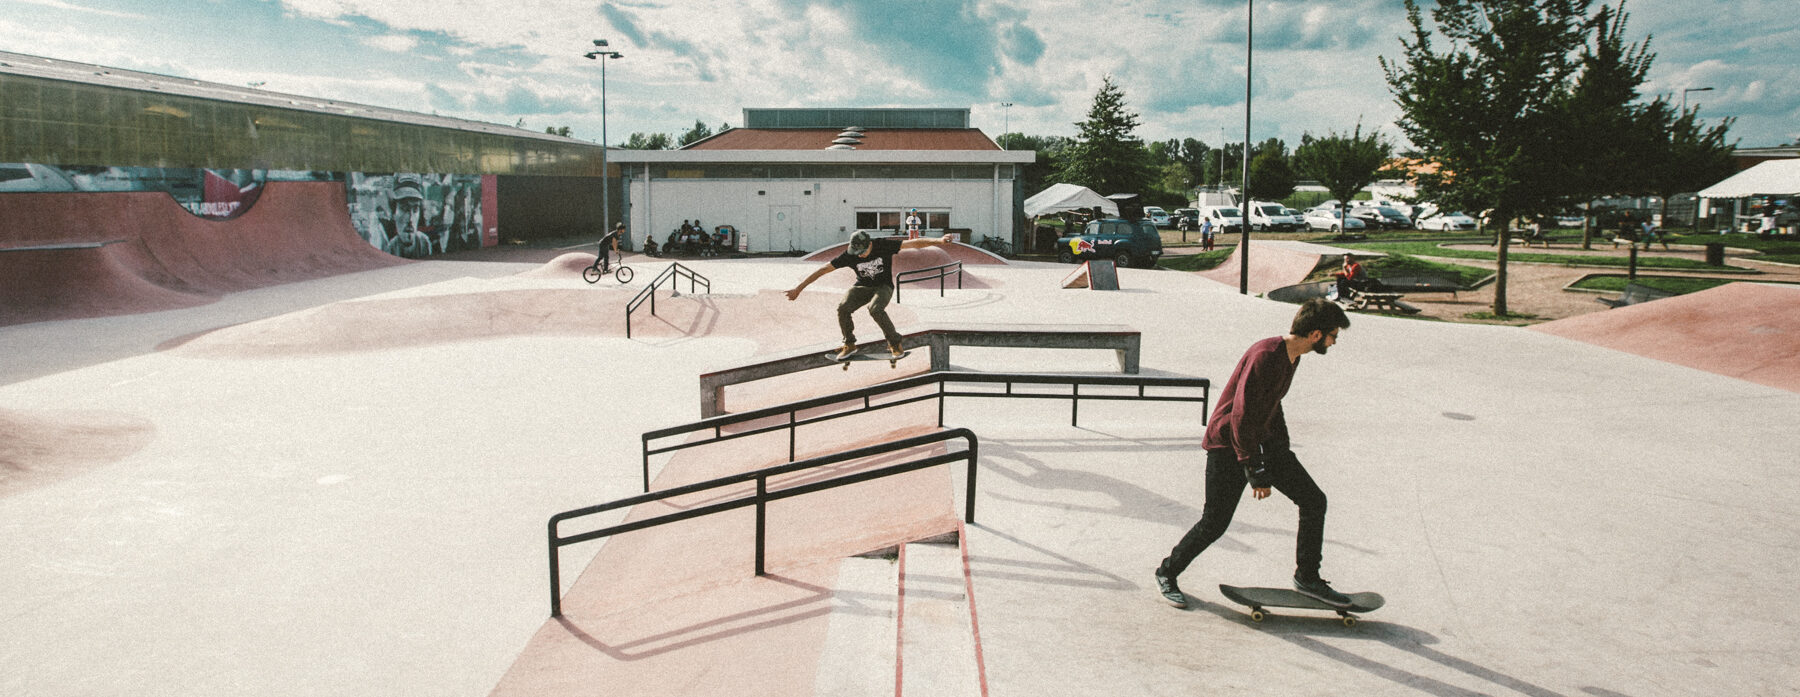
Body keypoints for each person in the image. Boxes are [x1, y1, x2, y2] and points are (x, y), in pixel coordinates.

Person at [1154, 299, 1356, 609]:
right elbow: (1241, 416)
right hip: (1228, 445)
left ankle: (1307, 576)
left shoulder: (1293, 357)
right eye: (1333, 335)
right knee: (1215, 522)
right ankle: (1167, 572)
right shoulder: (1266, 355)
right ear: (1316, 334)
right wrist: (1254, 470)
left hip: (1259, 442)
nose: (1334, 341)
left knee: (1314, 500)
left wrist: (1281, 450)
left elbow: (1272, 405)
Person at [785, 230, 952, 360]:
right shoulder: (849, 255)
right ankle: (849, 344)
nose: (859, 255)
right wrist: (799, 289)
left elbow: (914, 243)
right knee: (843, 308)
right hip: (862, 286)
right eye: (857, 252)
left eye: (863, 251)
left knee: (875, 309)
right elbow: (823, 270)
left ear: (870, 243)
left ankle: (895, 343)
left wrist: (939, 241)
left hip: (883, 286)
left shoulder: (883, 245)